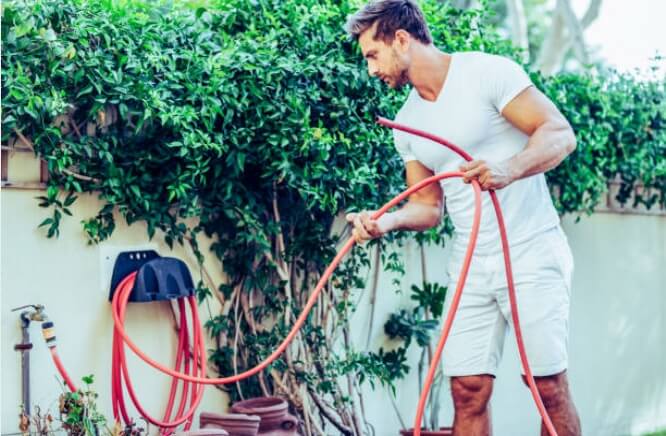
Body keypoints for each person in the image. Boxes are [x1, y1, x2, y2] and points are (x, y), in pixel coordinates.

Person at [344, 1, 582, 435]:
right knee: (467, 390)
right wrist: (385, 223)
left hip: (530, 250)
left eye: (372, 55)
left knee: (546, 386)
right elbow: (429, 207)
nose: (370, 69)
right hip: (470, 264)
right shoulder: (406, 122)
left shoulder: (487, 73)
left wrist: (509, 168)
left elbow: (560, 133)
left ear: (401, 39)